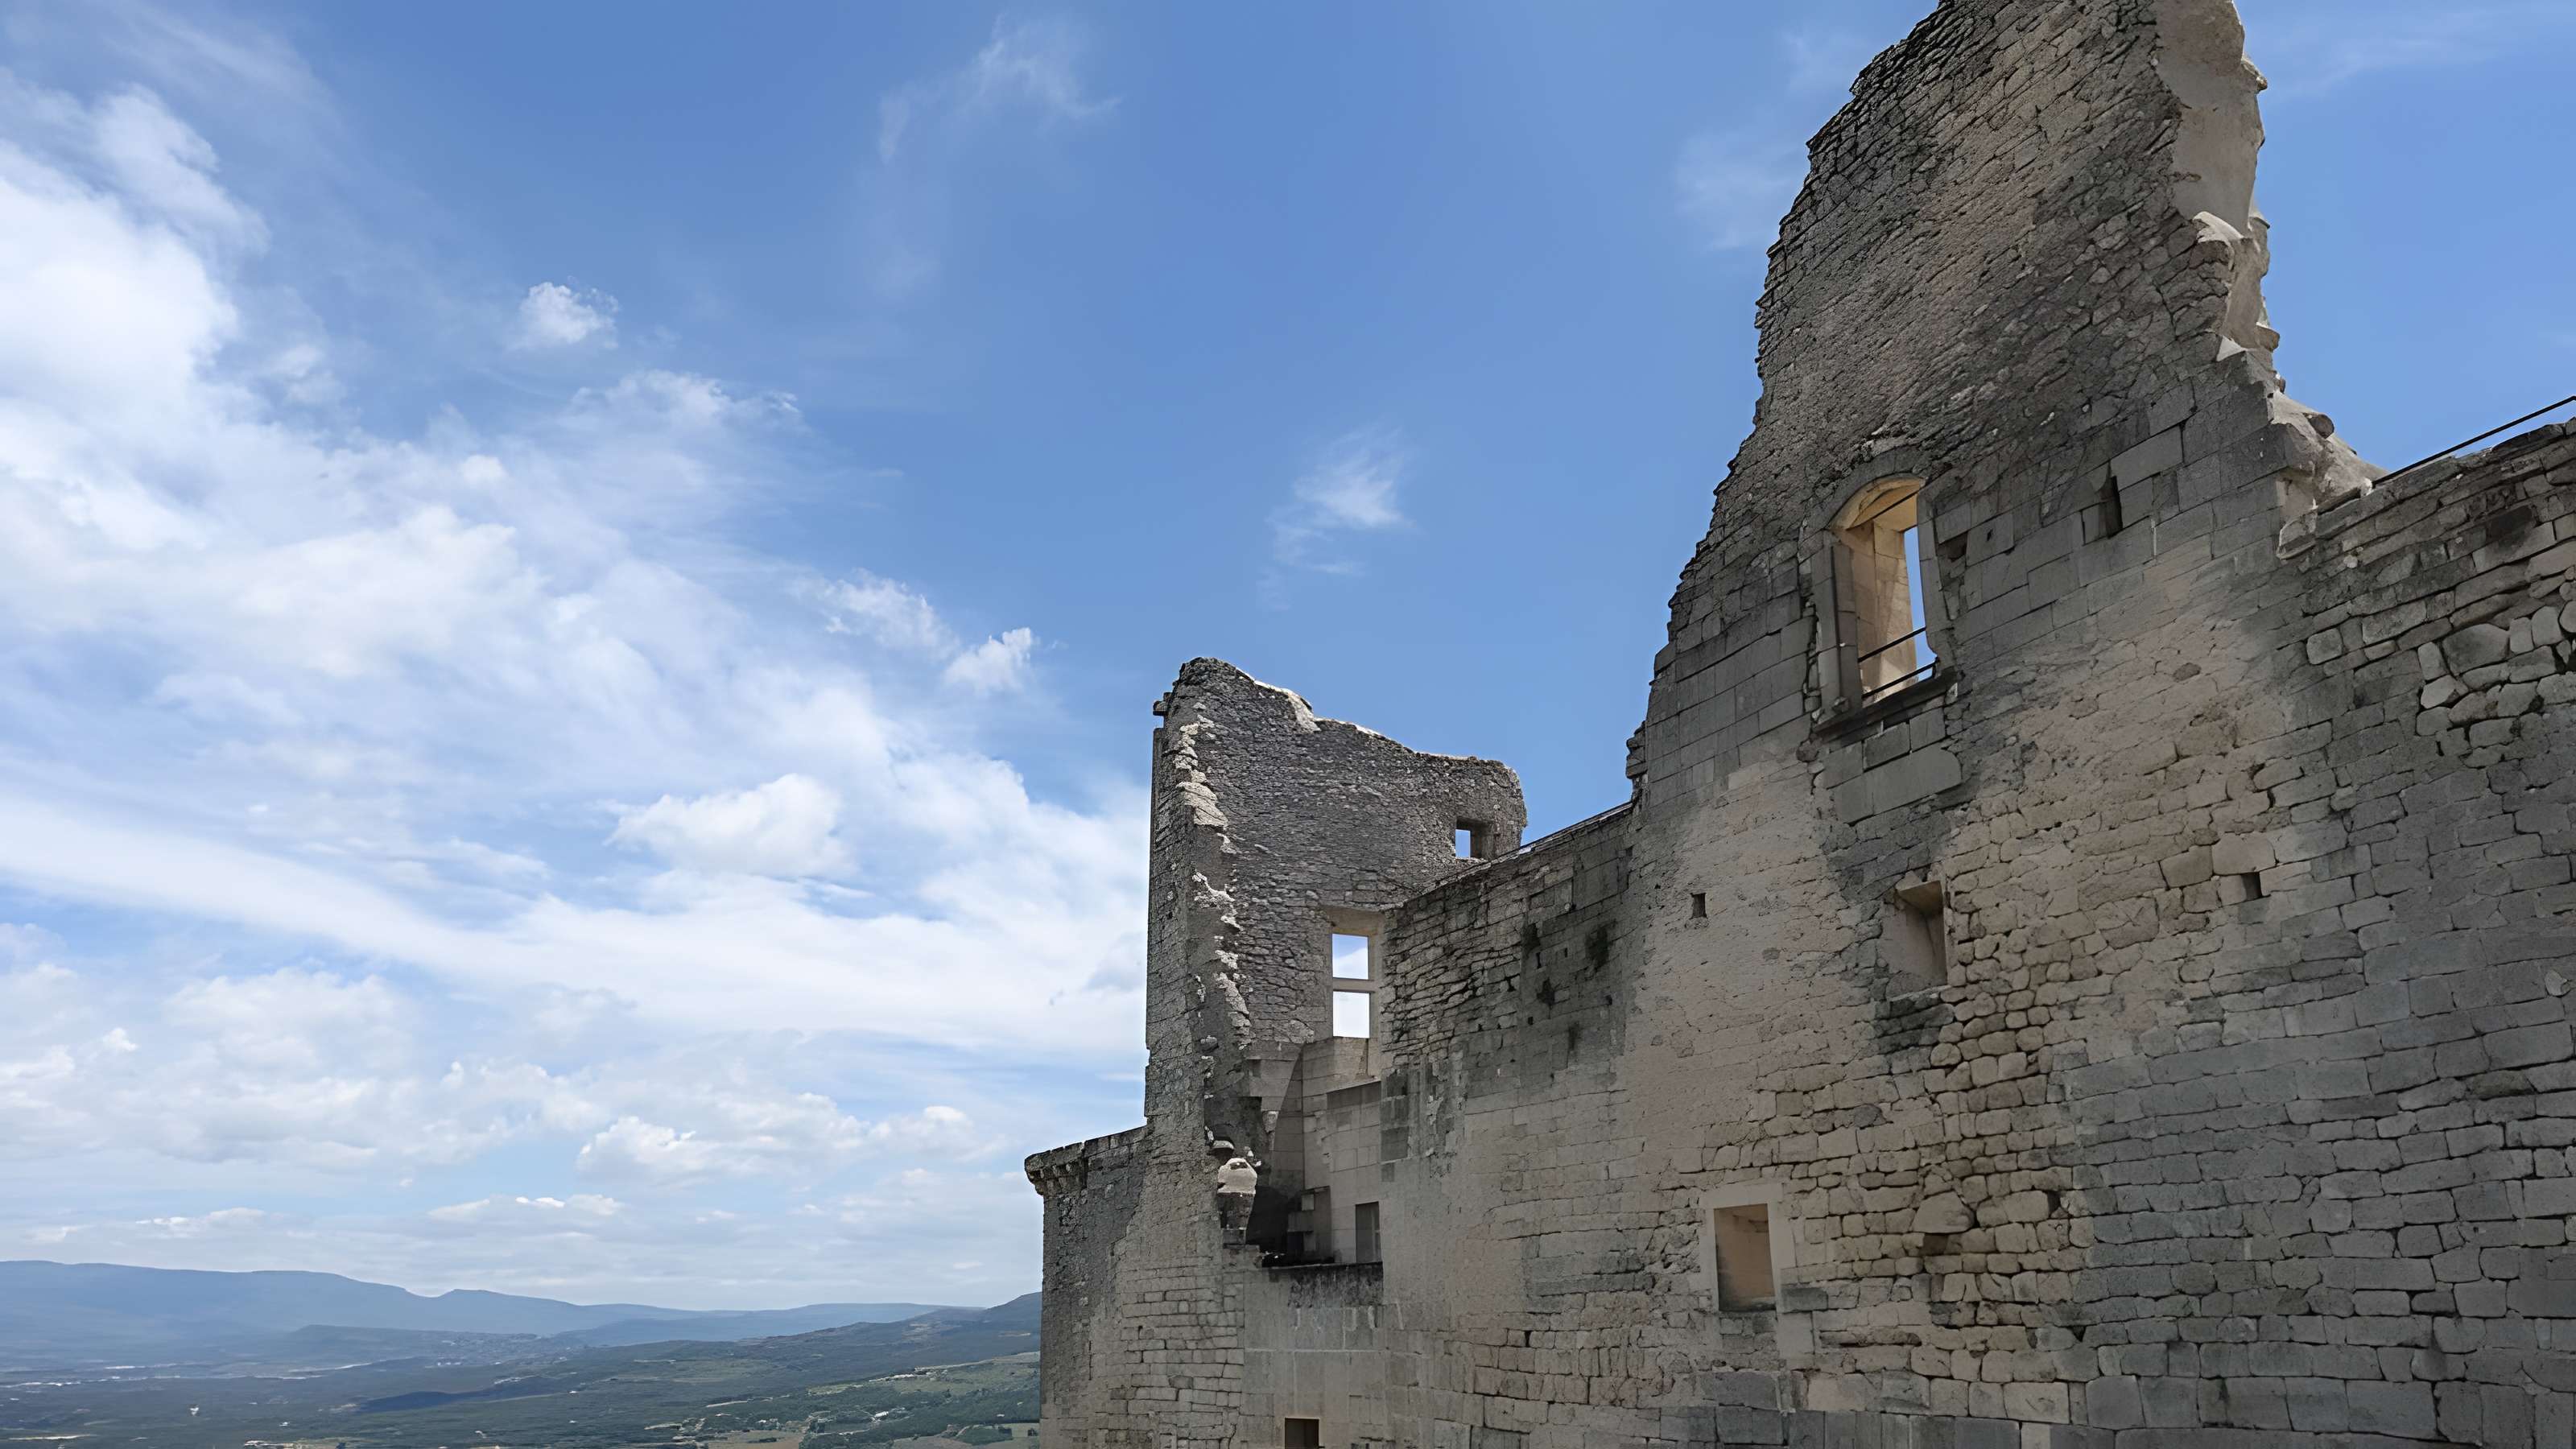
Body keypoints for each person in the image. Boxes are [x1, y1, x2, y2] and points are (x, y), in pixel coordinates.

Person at [1212, 1143, 1258, 1242]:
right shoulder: (1248, 1167)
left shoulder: (1226, 1167)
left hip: (1228, 1196)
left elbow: (1218, 1183)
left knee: (1224, 1223)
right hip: (1248, 1197)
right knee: (1240, 1224)